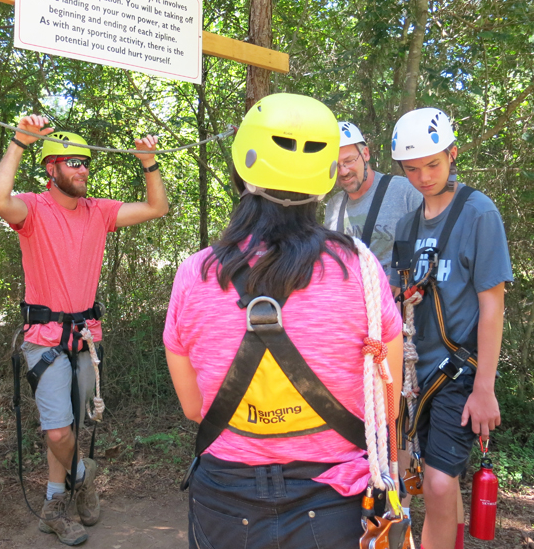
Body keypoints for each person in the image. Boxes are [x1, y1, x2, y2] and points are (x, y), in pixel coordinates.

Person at [163, 94, 403, 549]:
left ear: (241, 170)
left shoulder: (196, 275)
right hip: (334, 504)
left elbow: (195, 409)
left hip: (225, 501)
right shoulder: (359, 270)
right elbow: (385, 409)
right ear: (326, 177)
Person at [0, 116, 168, 546]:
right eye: (73, 162)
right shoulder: (32, 209)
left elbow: (156, 208)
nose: (83, 169)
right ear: (51, 168)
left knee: (69, 427)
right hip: (44, 339)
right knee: (57, 432)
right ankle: (83, 477)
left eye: (86, 163)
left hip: (85, 338)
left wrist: (149, 163)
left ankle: (54, 505)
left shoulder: (99, 212)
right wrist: (19, 142)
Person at [389, 108, 512, 549]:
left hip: (458, 372)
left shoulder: (478, 213)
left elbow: (492, 304)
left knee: (440, 484)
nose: (423, 177)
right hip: (413, 375)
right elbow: (397, 300)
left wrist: (484, 388)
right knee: (414, 479)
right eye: (412, 169)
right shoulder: (407, 225)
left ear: (452, 154)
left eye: (432, 164)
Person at [324, 121, 421, 276]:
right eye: (336, 165)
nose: (343, 171)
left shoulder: (405, 192)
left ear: (366, 154)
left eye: (349, 161)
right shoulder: (334, 205)